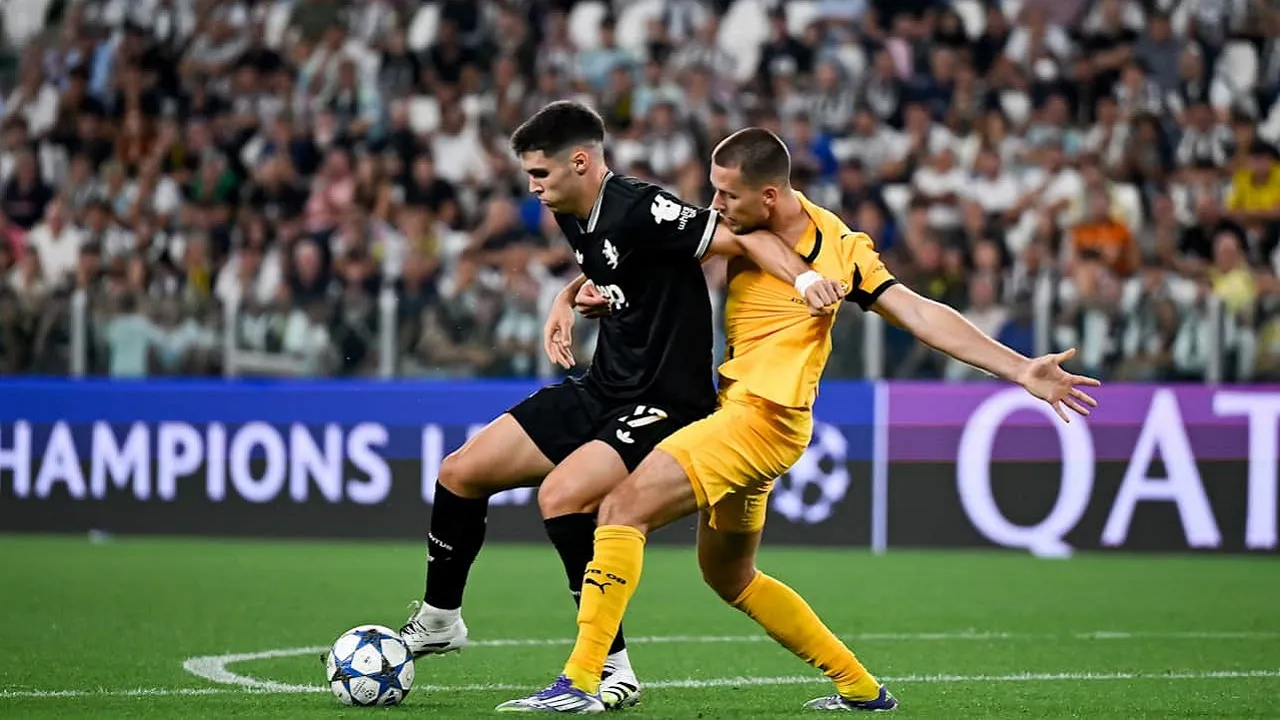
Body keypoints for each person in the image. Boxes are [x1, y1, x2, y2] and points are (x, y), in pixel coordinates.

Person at [496, 128, 1102, 713]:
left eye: (727, 195)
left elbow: (917, 312)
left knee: (621, 509)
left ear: (768, 195)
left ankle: (581, 680)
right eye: (713, 190)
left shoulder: (837, 249)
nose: (715, 205)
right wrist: (576, 292)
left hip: (763, 422)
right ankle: (862, 689)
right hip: (738, 414)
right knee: (729, 576)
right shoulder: (744, 228)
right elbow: (642, 253)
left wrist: (1020, 369)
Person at [399, 103, 844, 709]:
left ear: (580, 162)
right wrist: (568, 298)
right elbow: (614, 269)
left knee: (562, 497)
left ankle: (610, 672)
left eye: (540, 174)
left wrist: (802, 281)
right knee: (459, 472)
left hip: (665, 399)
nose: (532, 188)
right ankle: (440, 619)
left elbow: (739, 235)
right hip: (604, 384)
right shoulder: (572, 208)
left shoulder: (640, 206)